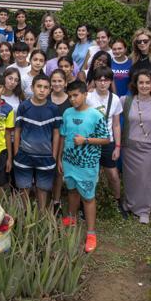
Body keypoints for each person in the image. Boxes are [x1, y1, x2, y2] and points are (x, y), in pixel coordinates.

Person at [58, 80, 110, 253]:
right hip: (69, 161)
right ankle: (72, 219)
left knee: (88, 198)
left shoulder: (95, 115)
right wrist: (59, 158)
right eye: (70, 96)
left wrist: (85, 141)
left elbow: (106, 139)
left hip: (87, 164)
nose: (73, 99)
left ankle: (91, 233)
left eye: (76, 95)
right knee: (72, 191)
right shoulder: (67, 113)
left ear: (85, 94)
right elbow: (63, 136)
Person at [120, 69, 151, 224]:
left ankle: (144, 209)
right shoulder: (126, 100)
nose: (144, 86)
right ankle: (129, 204)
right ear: (135, 84)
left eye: (147, 82)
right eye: (141, 82)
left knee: (145, 179)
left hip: (150, 147)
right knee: (130, 178)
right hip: (130, 146)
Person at [13, 74, 61, 209]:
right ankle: (25, 214)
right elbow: (17, 130)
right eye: (39, 86)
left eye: (46, 87)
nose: (42, 90)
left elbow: (56, 133)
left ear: (50, 90)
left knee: (43, 188)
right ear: (32, 88)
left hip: (46, 156)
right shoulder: (23, 107)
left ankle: (41, 215)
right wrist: (16, 152)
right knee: (24, 187)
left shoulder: (54, 109)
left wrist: (54, 155)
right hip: (24, 155)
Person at [86, 67, 127, 219]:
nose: (103, 83)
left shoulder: (115, 99)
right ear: (95, 81)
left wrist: (117, 146)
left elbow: (116, 124)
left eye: (106, 80)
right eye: (99, 80)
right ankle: (88, 203)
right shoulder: (88, 97)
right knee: (90, 175)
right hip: (90, 141)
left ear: (110, 81)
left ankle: (117, 201)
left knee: (113, 174)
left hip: (107, 141)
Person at [48, 69, 72, 214]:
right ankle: (44, 197)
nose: (57, 84)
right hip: (46, 138)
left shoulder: (70, 100)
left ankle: (56, 201)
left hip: (64, 139)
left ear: (65, 83)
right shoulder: (45, 96)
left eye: (60, 81)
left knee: (59, 170)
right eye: (54, 81)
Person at [129, 28, 151, 96]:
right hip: (133, 97)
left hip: (149, 97)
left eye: (145, 41)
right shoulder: (133, 58)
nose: (142, 43)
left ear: (150, 41)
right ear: (136, 43)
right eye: (139, 41)